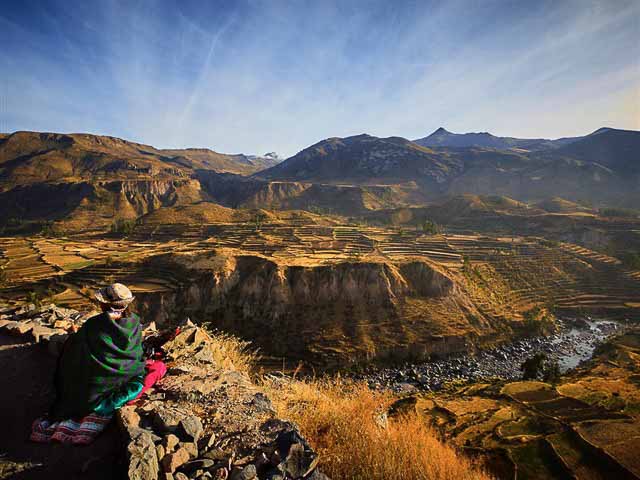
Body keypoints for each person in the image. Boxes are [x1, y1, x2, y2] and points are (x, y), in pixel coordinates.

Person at [31, 283, 166, 445]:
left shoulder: (94, 324)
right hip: (125, 375)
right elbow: (135, 353)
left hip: (95, 387)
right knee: (157, 367)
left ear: (104, 303)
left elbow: (73, 352)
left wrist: (73, 337)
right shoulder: (134, 322)